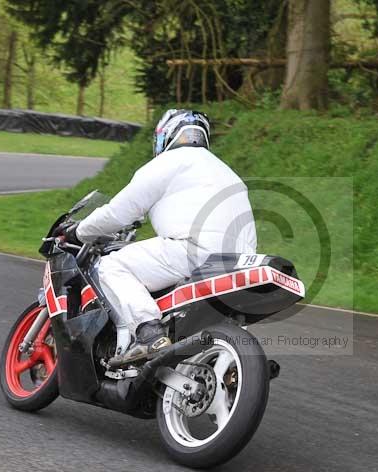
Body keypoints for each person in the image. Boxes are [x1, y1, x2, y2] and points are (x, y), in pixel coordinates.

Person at [61, 109, 257, 367]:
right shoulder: (227, 172)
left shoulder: (169, 162)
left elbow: (118, 212)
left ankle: (148, 332)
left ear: (165, 136)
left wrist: (79, 231)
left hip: (193, 251)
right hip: (240, 262)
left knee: (112, 265)